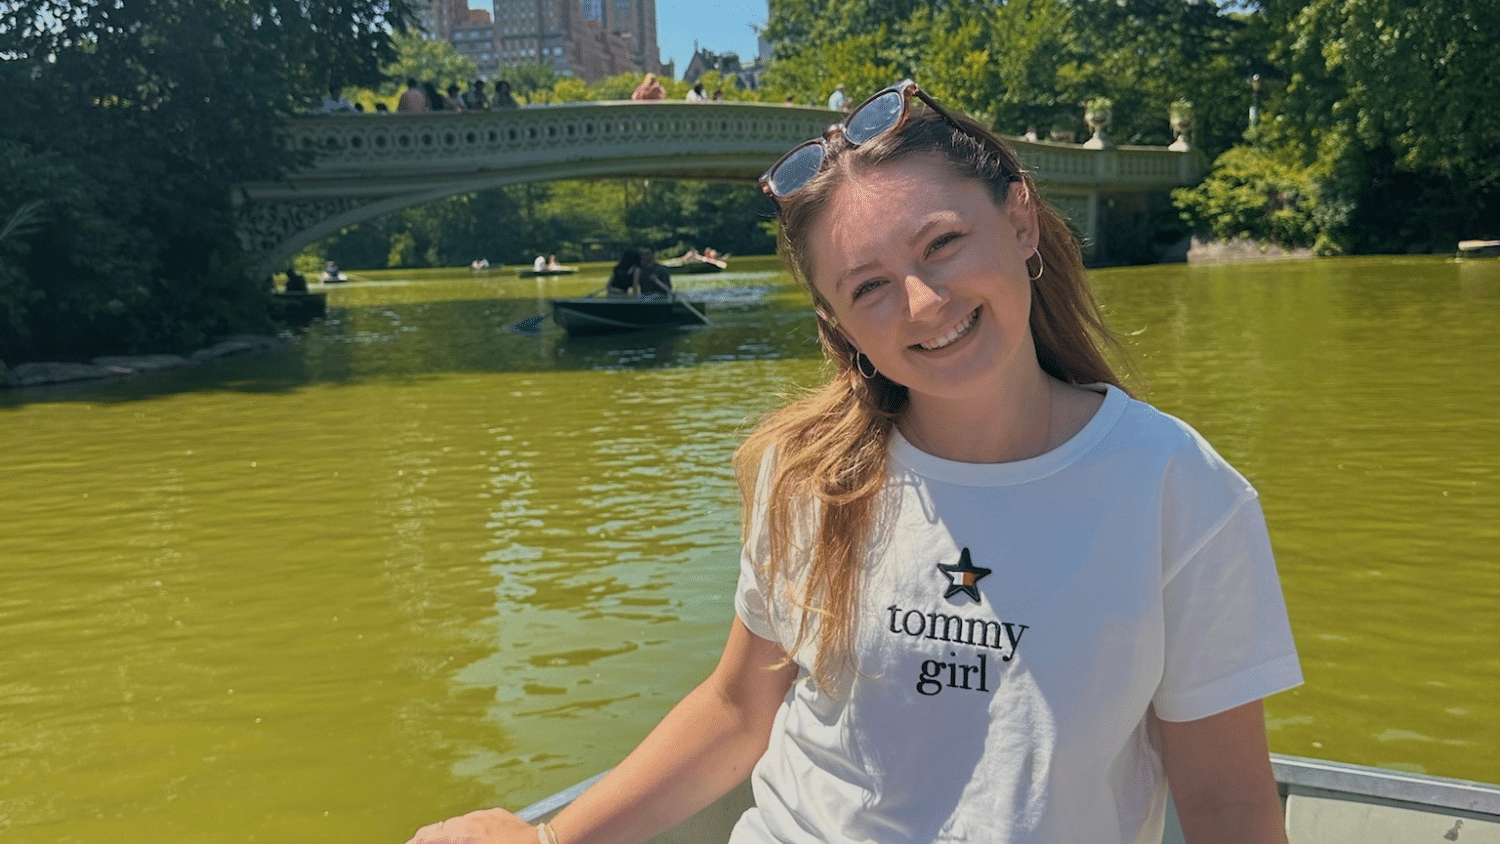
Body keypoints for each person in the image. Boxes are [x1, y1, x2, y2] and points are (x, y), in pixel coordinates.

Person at [404, 80, 1301, 844]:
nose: (922, 302)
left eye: (942, 243)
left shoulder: (1180, 488)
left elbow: (1224, 799)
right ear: (841, 327)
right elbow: (735, 714)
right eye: (868, 286)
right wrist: (548, 838)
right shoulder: (810, 474)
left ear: (1021, 220)